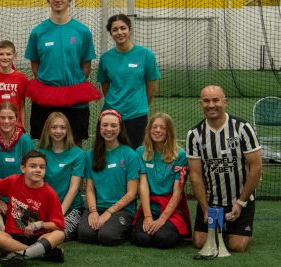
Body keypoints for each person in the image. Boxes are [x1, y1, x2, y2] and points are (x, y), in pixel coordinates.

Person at [186, 85, 262, 253]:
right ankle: (222, 226)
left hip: (241, 199)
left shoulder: (243, 128)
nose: (211, 105)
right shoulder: (194, 134)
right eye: (206, 101)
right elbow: (196, 175)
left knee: (237, 246)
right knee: (200, 242)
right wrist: (205, 208)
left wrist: (241, 203)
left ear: (225, 102)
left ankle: (234, 228)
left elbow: (256, 168)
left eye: (215, 100)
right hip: (213, 202)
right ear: (201, 104)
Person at [25, 0, 97, 141]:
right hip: (46, 96)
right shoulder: (38, 32)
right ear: (48, 1)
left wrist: (71, 83)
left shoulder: (82, 31)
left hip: (74, 96)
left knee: (75, 143)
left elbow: (86, 65)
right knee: (45, 144)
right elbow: (35, 65)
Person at [0, 150, 66, 267]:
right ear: (23, 168)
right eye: (33, 166)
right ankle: (41, 254)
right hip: (13, 237)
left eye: (42, 167)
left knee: (59, 235)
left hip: (39, 238)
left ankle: (20, 255)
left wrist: (38, 224)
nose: (38, 170)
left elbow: (58, 224)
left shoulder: (50, 193)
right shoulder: (13, 181)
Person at [97, 14, 160, 148]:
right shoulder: (106, 58)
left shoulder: (146, 55)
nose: (119, 32)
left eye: (123, 28)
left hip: (136, 115)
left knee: (133, 153)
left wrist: (140, 105)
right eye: (115, 30)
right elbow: (105, 87)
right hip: (111, 113)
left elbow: (152, 88)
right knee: (109, 152)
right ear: (110, 33)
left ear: (129, 29)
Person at [78, 110, 140, 246]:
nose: (109, 129)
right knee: (85, 234)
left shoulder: (130, 155)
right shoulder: (90, 155)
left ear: (120, 128)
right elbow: (89, 189)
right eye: (105, 125)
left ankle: (125, 227)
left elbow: (132, 193)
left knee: (107, 236)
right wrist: (93, 211)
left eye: (113, 125)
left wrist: (108, 212)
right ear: (99, 127)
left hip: (122, 210)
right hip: (98, 207)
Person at [133, 112, 189, 249]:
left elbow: (177, 193)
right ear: (149, 130)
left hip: (170, 207)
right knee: (142, 238)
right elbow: (144, 187)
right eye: (154, 127)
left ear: (169, 131)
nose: (158, 131)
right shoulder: (141, 152)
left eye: (163, 128)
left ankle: (173, 229)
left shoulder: (180, 155)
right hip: (150, 206)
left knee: (164, 239)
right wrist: (147, 217)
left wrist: (162, 220)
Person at [37, 112, 85, 240]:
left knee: (54, 233)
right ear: (48, 129)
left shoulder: (78, 154)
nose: (58, 131)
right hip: (47, 208)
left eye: (62, 127)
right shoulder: (40, 153)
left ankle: (44, 248)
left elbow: (74, 188)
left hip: (70, 208)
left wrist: (59, 214)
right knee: (32, 230)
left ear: (67, 130)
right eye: (54, 127)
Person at [0, 102, 35, 183]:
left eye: (10, 118)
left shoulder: (25, 140)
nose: (6, 121)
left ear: (17, 120)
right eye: (2, 117)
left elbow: (31, 170)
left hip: (21, 190)